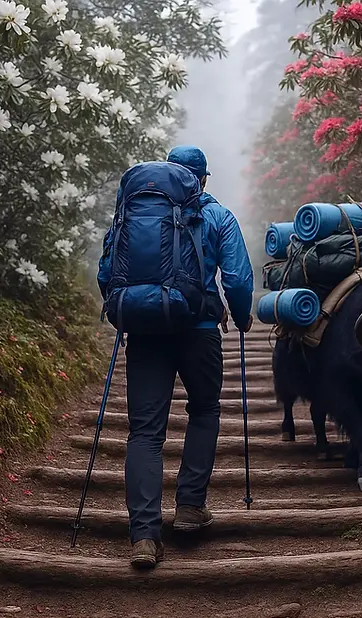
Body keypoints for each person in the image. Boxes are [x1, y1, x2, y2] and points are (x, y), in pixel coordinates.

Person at [125, 145, 254, 569]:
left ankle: (145, 536)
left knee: (145, 432)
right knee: (204, 410)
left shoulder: (139, 210)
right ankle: (189, 508)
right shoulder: (218, 216)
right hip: (199, 331)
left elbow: (110, 271)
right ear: (203, 178)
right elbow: (235, 277)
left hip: (145, 330)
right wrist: (240, 316)